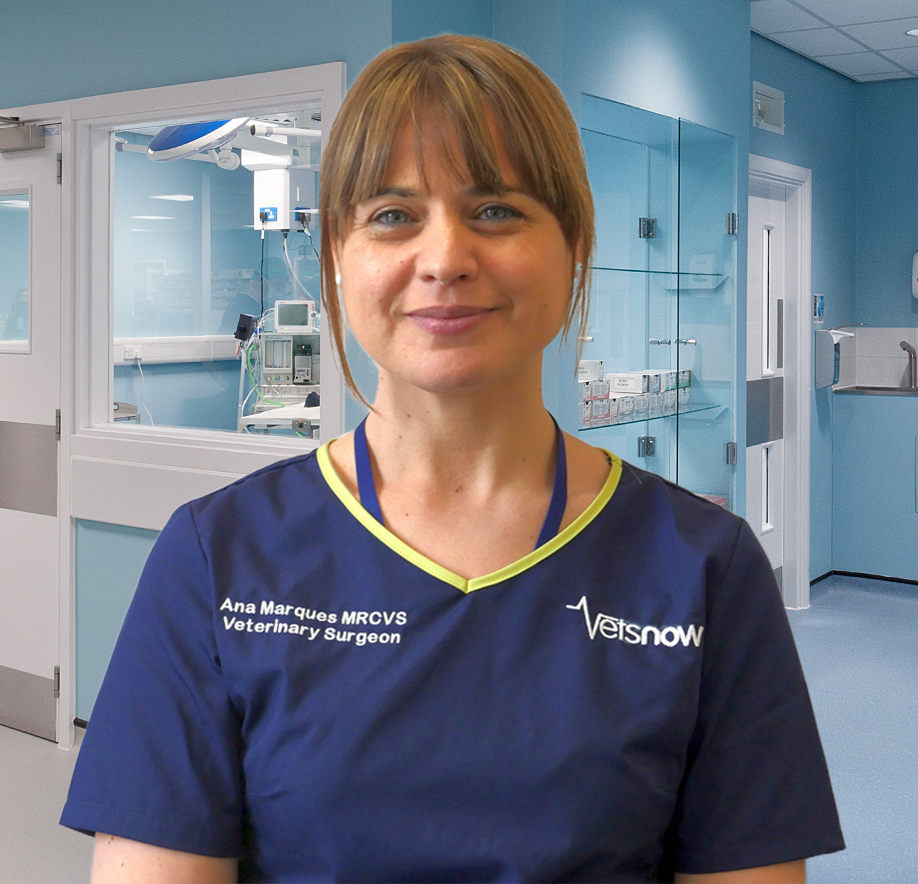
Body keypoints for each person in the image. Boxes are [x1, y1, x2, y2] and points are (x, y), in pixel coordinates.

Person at [61, 35, 844, 883]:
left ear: (575, 244)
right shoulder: (218, 557)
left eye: (497, 210)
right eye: (392, 215)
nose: (444, 261)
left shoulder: (704, 569)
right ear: (336, 254)